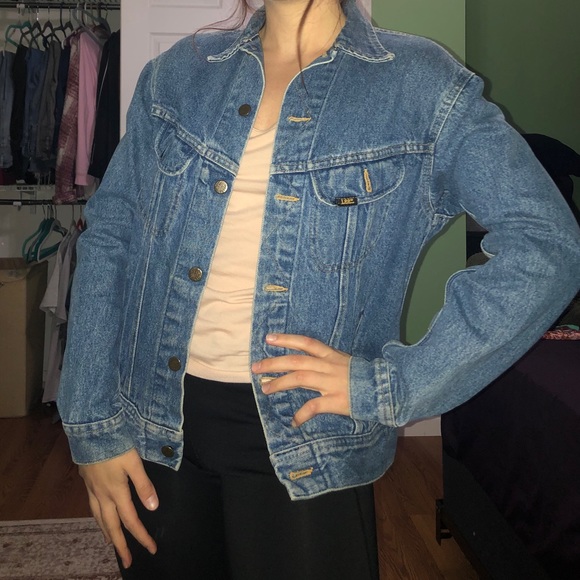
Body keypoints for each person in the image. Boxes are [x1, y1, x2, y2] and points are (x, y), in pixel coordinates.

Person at [57, 0, 580, 578]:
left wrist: (395, 385)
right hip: (154, 422)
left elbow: (547, 244)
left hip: (309, 437)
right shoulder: (179, 73)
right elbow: (110, 239)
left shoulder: (421, 85)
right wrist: (91, 427)